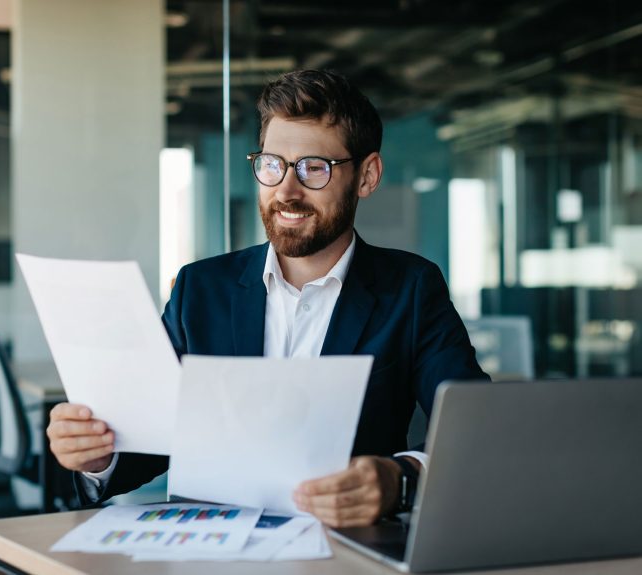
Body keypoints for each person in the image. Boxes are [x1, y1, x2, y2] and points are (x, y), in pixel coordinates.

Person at [47, 69, 487, 527]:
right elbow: (153, 439)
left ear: (367, 176)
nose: (287, 191)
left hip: (345, 551)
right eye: (273, 164)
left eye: (314, 168)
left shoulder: (411, 289)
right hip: (215, 552)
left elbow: (476, 433)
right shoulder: (201, 288)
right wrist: (97, 455)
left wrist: (401, 478)